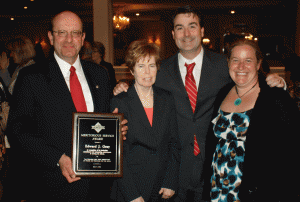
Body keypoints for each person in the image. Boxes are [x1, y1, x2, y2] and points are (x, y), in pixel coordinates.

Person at [113, 5, 285, 201]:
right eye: (180, 27)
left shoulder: (224, 65)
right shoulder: (159, 70)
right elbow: (142, 83)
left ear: (202, 31)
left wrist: (274, 80)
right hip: (173, 172)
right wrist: (123, 85)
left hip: (214, 169)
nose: (186, 34)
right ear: (172, 33)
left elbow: (248, 77)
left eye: (192, 26)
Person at [5, 11, 127, 201]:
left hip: (98, 188)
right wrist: (58, 158)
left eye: (75, 33)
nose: (69, 39)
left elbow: (104, 122)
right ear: (51, 37)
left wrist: (117, 132)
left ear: (83, 38)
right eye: (62, 32)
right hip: (51, 186)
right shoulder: (31, 77)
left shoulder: (100, 75)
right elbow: (17, 131)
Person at [206, 39, 300, 201]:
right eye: (235, 60)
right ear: (228, 63)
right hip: (218, 188)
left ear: (258, 64)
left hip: (257, 192)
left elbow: (293, 151)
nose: (241, 66)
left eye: (248, 60)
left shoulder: (276, 97)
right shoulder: (223, 93)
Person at [110, 40, 180, 202]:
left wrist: (171, 180)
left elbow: (174, 143)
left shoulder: (167, 98)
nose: (147, 72)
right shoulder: (120, 101)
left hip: (161, 188)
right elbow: (117, 153)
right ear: (132, 70)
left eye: (152, 65)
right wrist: (132, 195)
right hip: (130, 188)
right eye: (141, 66)